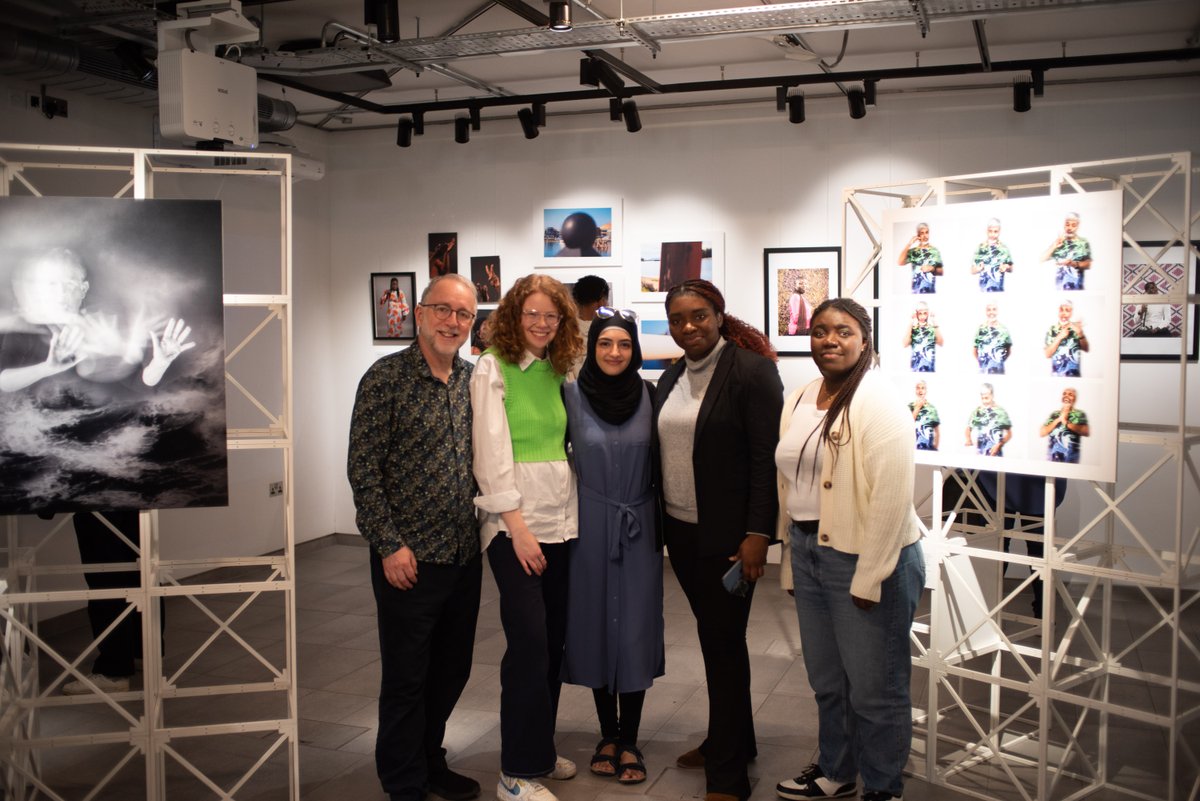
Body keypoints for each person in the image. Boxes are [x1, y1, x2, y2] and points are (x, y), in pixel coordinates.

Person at [774, 297, 924, 801]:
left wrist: (871, 574)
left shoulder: (878, 399)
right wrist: (791, 562)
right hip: (812, 550)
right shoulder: (799, 397)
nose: (829, 341)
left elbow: (892, 496)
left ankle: (883, 788)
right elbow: (789, 482)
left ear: (865, 339)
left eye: (842, 331)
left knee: (877, 689)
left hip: (867, 558)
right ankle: (837, 770)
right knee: (828, 680)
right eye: (819, 331)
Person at [348, 273, 483, 801]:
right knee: (407, 678)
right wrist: (388, 544)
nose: (453, 321)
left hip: (463, 555)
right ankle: (403, 781)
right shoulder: (385, 379)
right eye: (444, 310)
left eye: (464, 314)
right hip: (409, 558)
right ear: (420, 313)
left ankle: (431, 760)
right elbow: (364, 470)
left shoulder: (474, 381)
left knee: (452, 670)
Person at [652, 279, 783, 801]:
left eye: (698, 316)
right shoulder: (670, 377)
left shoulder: (751, 372)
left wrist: (758, 533)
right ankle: (735, 739)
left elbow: (764, 460)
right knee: (716, 642)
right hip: (681, 536)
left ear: (719, 315)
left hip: (730, 541)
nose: (689, 327)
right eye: (678, 319)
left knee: (723, 646)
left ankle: (726, 774)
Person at [471, 274, 584, 801]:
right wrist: (516, 528)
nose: (541, 324)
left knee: (553, 644)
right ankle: (514, 771)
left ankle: (538, 749)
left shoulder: (556, 369)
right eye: (531, 314)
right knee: (529, 644)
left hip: (561, 522)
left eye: (551, 316)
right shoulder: (493, 368)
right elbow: (490, 458)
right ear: (514, 316)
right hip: (515, 527)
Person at [562, 307, 664, 786]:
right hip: (588, 524)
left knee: (635, 631)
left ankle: (630, 740)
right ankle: (607, 733)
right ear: (592, 346)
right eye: (606, 343)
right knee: (597, 625)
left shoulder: (651, 395)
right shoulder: (570, 395)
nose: (615, 352)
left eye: (624, 344)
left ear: (635, 350)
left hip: (638, 525)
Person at [1, 247, 194, 393]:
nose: (61, 293)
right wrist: (48, 368)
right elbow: (4, 382)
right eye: (52, 284)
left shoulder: (102, 325)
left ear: (83, 289)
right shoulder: (24, 328)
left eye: (69, 284)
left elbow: (145, 380)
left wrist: (160, 363)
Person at [1042, 212, 1092, 290]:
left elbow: (1088, 264)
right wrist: (1054, 245)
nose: (1069, 228)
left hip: (1077, 288)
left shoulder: (1083, 243)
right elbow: (1041, 259)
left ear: (1078, 226)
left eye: (1073, 225)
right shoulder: (1060, 243)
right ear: (1064, 225)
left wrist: (1074, 263)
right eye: (1067, 224)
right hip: (1059, 289)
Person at [1040, 387, 1090, 463]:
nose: (1066, 396)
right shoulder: (1055, 414)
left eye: (1070, 394)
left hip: (1071, 456)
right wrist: (1058, 419)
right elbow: (1042, 432)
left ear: (1075, 399)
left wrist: (1065, 422)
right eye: (1064, 394)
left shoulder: (1079, 414)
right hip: (1052, 455)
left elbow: (1086, 431)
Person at [965, 383, 1012, 457]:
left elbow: (1009, 434)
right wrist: (968, 439)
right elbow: (968, 429)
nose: (984, 401)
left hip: (996, 454)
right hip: (980, 454)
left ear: (992, 396)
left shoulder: (1000, 412)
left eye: (986, 398)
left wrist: (999, 444)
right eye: (982, 398)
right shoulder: (978, 411)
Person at [1044, 299, 1088, 377]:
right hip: (1056, 375)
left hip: (1075, 375)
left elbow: (1086, 348)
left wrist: (1080, 333)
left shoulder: (1076, 328)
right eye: (1061, 310)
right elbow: (1047, 354)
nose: (1063, 313)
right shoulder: (1052, 329)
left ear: (1071, 313)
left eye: (1067, 310)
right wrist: (1059, 337)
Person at [897, 222, 942, 294]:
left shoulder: (934, 251)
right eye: (922, 233)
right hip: (916, 292)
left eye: (927, 232)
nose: (925, 236)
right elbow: (900, 262)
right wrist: (909, 244)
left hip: (931, 292)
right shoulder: (914, 252)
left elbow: (941, 271)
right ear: (918, 235)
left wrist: (932, 269)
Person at [970, 218, 1013, 292]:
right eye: (990, 231)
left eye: (995, 231)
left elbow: (1011, 268)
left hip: (999, 289)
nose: (993, 234)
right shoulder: (980, 248)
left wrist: (1006, 267)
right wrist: (978, 269)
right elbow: (972, 270)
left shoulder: (1004, 249)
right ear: (987, 231)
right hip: (984, 290)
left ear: (999, 231)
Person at [901, 302, 942, 373]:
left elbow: (941, 342)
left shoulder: (932, 329)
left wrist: (934, 321)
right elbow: (905, 344)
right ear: (916, 314)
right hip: (916, 368)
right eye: (920, 313)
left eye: (925, 313)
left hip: (930, 368)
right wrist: (911, 321)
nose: (922, 316)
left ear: (928, 314)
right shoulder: (913, 329)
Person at [973, 302, 1012, 375]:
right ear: (986, 312)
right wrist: (983, 363)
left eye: (994, 309)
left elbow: (1009, 350)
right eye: (989, 310)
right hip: (984, 370)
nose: (991, 312)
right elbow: (975, 351)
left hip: (999, 369)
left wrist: (998, 361)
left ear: (997, 312)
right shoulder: (981, 329)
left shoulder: (1003, 330)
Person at [571, 275, 610, 342]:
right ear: (601, 301)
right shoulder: (610, 330)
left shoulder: (566, 329)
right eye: (606, 300)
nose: (608, 304)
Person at [909, 379, 940, 451]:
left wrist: (936, 447)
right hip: (914, 448)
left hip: (929, 448)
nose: (920, 390)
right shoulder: (910, 406)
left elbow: (937, 431)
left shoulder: (932, 408)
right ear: (915, 390)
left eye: (923, 388)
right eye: (918, 388)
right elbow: (908, 424)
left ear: (926, 390)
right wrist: (917, 407)